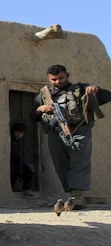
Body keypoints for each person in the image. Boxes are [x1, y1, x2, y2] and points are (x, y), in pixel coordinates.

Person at [35, 64, 110, 210]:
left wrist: (96, 90)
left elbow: (107, 96)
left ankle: (77, 196)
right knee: (61, 164)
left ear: (67, 75)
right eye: (54, 79)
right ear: (49, 79)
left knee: (79, 162)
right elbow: (34, 115)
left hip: (79, 130)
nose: (57, 82)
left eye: (60, 78)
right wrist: (41, 108)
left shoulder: (81, 89)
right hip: (56, 132)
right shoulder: (44, 95)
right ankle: (71, 194)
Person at [10, 122, 36, 196]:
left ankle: (26, 189)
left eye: (21, 132)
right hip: (11, 167)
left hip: (18, 166)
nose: (19, 134)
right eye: (17, 132)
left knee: (30, 170)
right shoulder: (10, 141)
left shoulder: (19, 143)